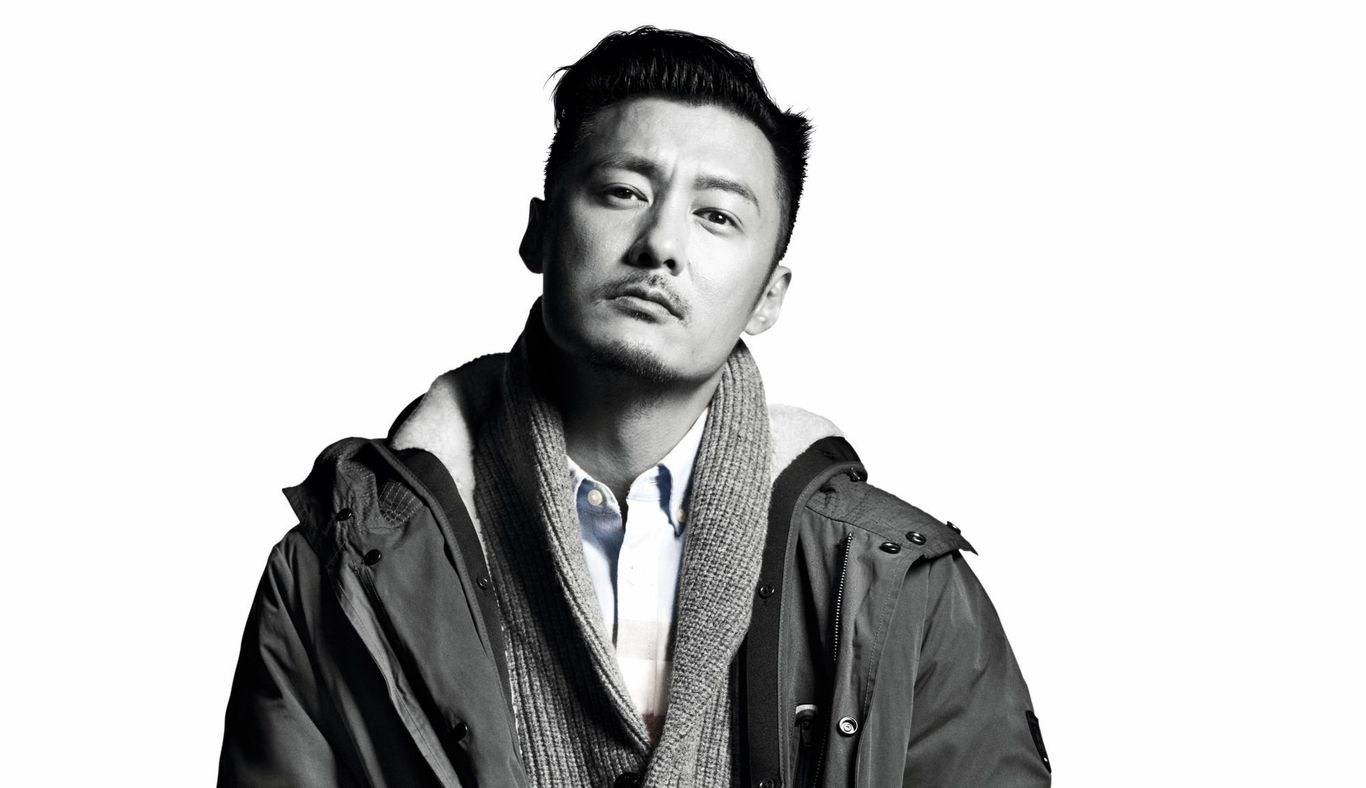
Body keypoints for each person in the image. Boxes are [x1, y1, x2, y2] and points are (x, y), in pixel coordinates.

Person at [218, 26, 1051, 788]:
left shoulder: (897, 587)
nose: (660, 246)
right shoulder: (340, 572)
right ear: (541, 233)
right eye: (622, 191)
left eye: (716, 215)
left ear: (769, 295)